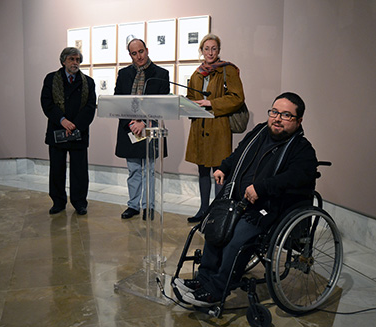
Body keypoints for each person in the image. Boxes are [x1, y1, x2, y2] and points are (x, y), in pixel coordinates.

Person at [174, 92, 318, 307]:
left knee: (235, 239)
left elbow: (295, 177)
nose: (277, 118)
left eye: (286, 115)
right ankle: (204, 280)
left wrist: (262, 188)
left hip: (266, 209)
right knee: (216, 230)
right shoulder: (260, 131)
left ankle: (215, 291)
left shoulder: (302, 149)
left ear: (298, 121)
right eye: (275, 112)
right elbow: (238, 153)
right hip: (236, 200)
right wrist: (224, 166)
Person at [185, 34, 246, 223]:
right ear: (201, 51)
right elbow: (190, 97)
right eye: (206, 49)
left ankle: (217, 214)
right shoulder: (197, 73)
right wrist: (187, 103)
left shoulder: (228, 70)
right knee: (202, 170)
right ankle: (203, 210)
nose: (210, 52)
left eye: (214, 48)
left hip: (219, 127)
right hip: (199, 128)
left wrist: (211, 102)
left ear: (219, 51)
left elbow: (237, 98)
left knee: (219, 172)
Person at [114, 38, 170, 220]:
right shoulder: (123, 74)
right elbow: (118, 102)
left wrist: (144, 123)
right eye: (134, 53)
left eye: (141, 51)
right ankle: (133, 205)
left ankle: (149, 206)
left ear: (147, 50)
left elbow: (161, 104)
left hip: (150, 129)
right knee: (134, 171)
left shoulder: (161, 74)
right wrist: (132, 123)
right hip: (130, 129)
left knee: (150, 171)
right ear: (130, 55)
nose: (139, 56)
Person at [40, 47, 96, 215]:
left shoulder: (88, 82)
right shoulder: (51, 79)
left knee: (79, 170)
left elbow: (90, 107)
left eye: (78, 60)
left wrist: (75, 125)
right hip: (58, 130)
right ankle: (58, 201)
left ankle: (79, 203)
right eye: (71, 59)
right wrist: (62, 120)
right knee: (57, 168)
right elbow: (46, 103)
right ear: (63, 61)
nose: (75, 63)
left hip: (79, 132)